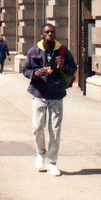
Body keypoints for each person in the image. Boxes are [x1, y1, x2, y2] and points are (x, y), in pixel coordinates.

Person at [23, 23, 77, 176]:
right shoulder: (34, 50)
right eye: (47, 32)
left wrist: (64, 66)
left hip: (56, 94)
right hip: (39, 93)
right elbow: (25, 69)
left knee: (55, 130)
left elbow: (73, 68)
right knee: (37, 127)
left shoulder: (63, 50)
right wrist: (35, 73)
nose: (50, 35)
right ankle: (41, 154)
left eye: (52, 32)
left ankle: (52, 162)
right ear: (42, 35)